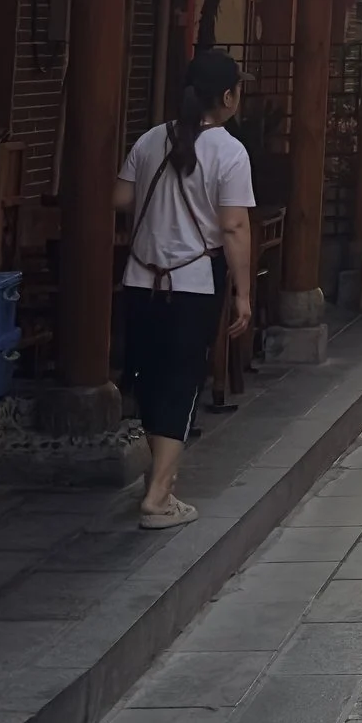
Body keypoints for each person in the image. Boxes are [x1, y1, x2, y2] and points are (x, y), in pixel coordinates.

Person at [115, 45, 254, 531]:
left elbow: (122, 198)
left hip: (139, 278)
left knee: (149, 381)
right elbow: (234, 226)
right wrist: (242, 292)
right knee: (181, 382)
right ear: (230, 95)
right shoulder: (230, 151)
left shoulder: (152, 139)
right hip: (192, 282)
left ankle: (163, 482)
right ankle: (158, 496)